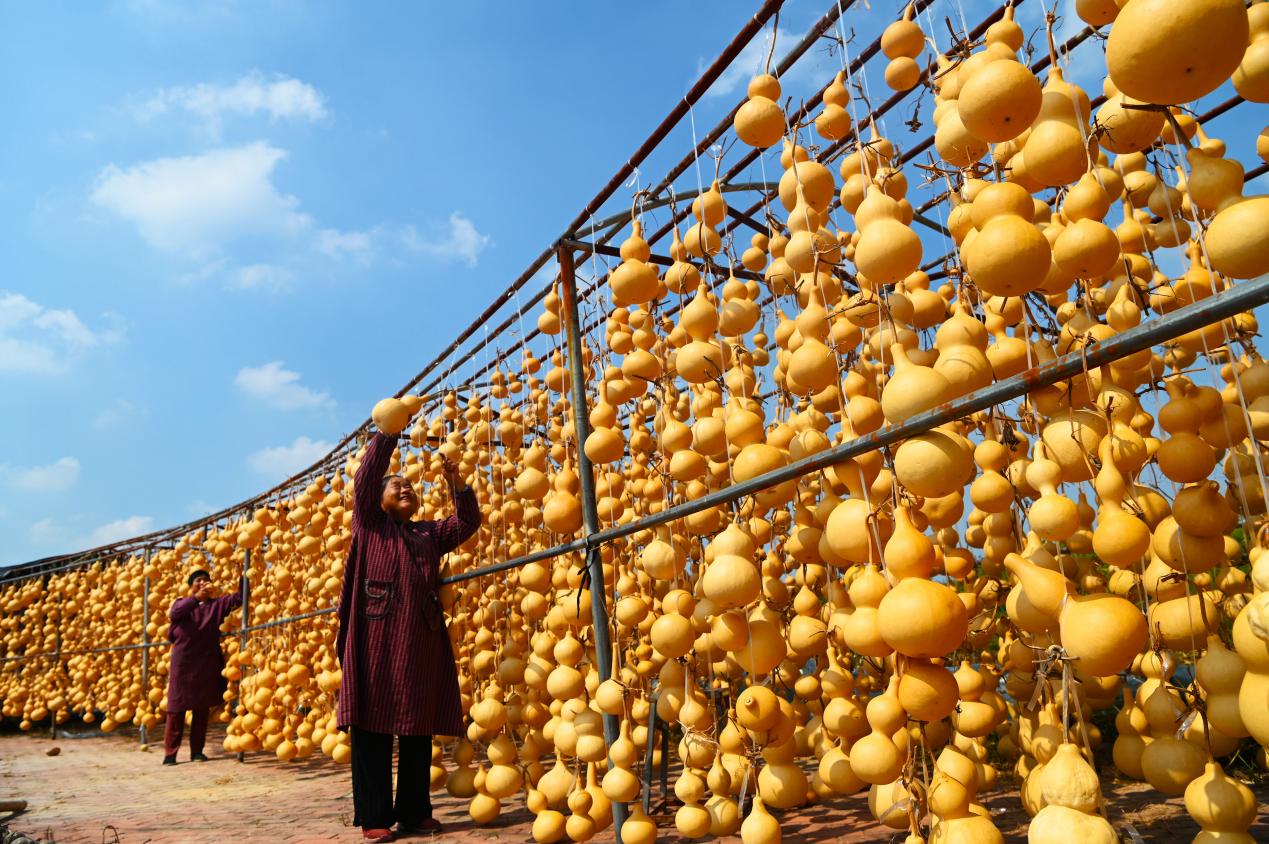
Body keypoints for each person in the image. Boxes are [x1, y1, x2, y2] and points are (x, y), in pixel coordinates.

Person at [337, 430, 480, 843]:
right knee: (371, 729)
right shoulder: (369, 525)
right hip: (373, 641)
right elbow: (365, 482)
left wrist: (458, 484)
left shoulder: (428, 534)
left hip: (418, 641)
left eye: (410, 486)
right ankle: (374, 816)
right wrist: (388, 434)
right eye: (395, 485)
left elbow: (468, 521)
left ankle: (415, 813)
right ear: (377, 499)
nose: (405, 487)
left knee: (417, 730)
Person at [164, 568, 244, 765]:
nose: (203, 583)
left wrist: (243, 571)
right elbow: (174, 613)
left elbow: (239, 598)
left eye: (206, 580)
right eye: (198, 581)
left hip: (205, 661)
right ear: (190, 586)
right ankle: (170, 753)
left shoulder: (217, 605)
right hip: (182, 662)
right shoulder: (182, 604)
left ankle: (197, 752)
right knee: (176, 709)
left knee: (201, 708)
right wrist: (195, 598)